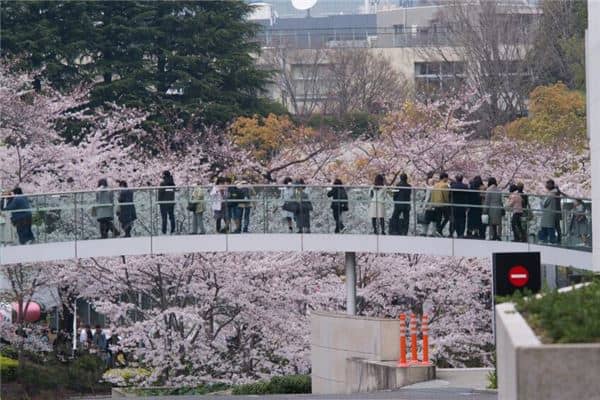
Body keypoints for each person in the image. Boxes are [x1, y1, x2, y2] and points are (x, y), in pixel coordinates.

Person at [430, 172, 450, 236]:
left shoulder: (435, 185)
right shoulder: (445, 185)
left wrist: (432, 203)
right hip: (443, 204)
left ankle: (438, 231)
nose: (447, 180)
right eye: (447, 178)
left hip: (436, 204)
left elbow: (432, 195)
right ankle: (439, 229)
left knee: (438, 218)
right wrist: (448, 202)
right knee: (447, 217)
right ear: (444, 178)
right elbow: (446, 196)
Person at [539, 179, 558, 244]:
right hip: (550, 212)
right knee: (549, 226)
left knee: (548, 227)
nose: (546, 185)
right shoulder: (554, 193)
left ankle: (548, 240)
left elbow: (544, 203)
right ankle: (548, 240)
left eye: (548, 184)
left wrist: (541, 201)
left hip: (548, 212)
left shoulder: (551, 194)